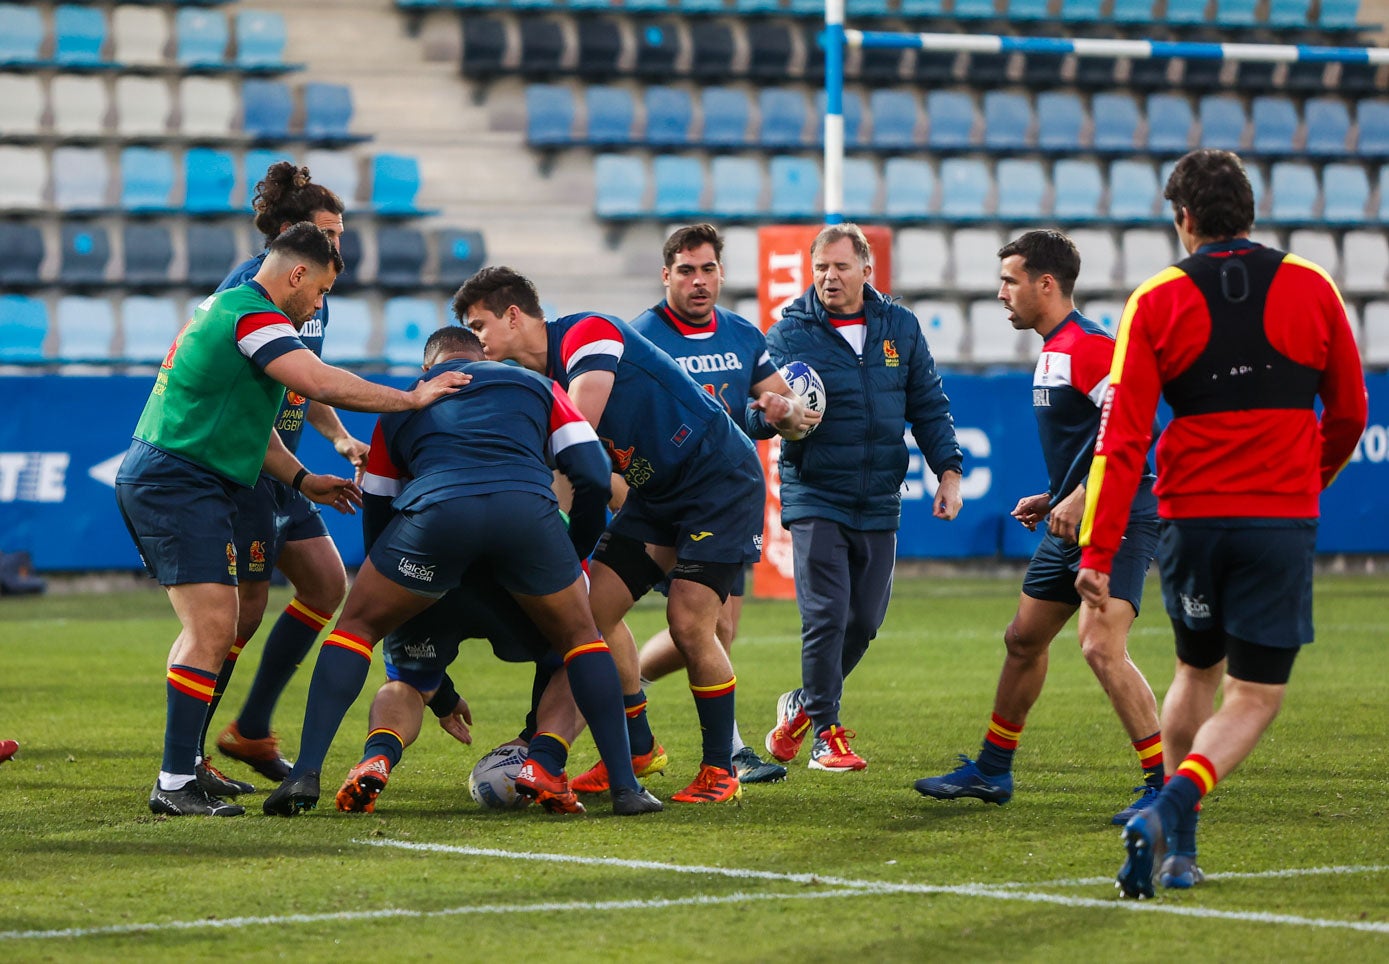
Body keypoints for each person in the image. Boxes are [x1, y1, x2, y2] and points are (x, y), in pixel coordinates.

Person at [1075, 149, 1368, 897]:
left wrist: (1098, 549)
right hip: (1276, 519)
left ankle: (1178, 848)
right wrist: (1308, 477)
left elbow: (1123, 439)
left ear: (1183, 219)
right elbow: (1351, 413)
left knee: (1193, 671)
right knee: (1256, 695)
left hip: (1189, 521)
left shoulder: (1155, 298)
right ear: (1249, 211)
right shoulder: (1312, 285)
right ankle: (1172, 806)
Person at [115, 223, 468, 817]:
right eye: (323, 290)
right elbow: (321, 381)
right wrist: (410, 399)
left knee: (220, 625)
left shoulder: (235, 310)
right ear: (298, 273)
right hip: (177, 481)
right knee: (211, 628)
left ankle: (185, 771)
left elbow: (255, 427)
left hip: (192, 479)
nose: (319, 305)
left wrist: (304, 480)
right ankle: (175, 780)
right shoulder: (253, 315)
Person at [264, 326, 661, 817]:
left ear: (429, 368)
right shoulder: (539, 386)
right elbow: (595, 474)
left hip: (435, 529)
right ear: (483, 356)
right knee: (582, 643)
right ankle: (594, 778)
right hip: (527, 526)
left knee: (357, 631)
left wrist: (395, 584)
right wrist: (571, 552)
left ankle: (317, 770)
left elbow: (381, 507)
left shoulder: (407, 402)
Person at [454, 267, 804, 805]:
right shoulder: (546, 378)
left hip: (719, 481)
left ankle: (719, 769)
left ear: (513, 316)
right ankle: (638, 745)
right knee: (588, 617)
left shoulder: (585, 332)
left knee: (689, 623)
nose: (476, 339)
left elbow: (580, 431)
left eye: (479, 325)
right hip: (657, 493)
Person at [914, 230, 1164, 823]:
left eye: (1010, 281)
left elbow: (1138, 435)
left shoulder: (1091, 347)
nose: (1001, 293)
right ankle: (993, 769)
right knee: (1023, 639)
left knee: (1101, 648)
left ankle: (1166, 785)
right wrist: (1058, 494)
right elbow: (1094, 440)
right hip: (1073, 517)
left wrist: (1079, 495)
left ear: (1045, 284)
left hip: (1120, 514)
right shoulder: (1055, 348)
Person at [764, 223, 963, 773]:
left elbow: (927, 402)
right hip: (815, 492)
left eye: (840, 266)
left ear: (866, 272)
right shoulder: (788, 334)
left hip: (878, 496)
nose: (829, 276)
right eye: (821, 267)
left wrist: (948, 471)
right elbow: (755, 408)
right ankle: (827, 733)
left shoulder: (899, 326)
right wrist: (772, 414)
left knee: (865, 621)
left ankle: (803, 704)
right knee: (826, 614)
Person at [625, 223, 817, 787]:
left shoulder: (741, 334)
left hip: (724, 499)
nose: (698, 280)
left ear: (721, 273)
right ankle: (728, 751)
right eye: (686, 270)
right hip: (663, 500)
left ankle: (617, 681)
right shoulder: (643, 337)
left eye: (708, 269)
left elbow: (774, 405)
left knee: (714, 629)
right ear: (666, 275)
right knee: (701, 626)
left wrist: (784, 415)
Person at [210, 162, 366, 787]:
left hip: (286, 469)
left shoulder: (311, 293)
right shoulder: (253, 287)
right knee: (237, 617)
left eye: (340, 232)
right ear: (290, 235)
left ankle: (250, 729)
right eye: (327, 231)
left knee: (327, 587)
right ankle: (187, 754)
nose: (337, 245)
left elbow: (306, 376)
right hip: (249, 466)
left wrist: (338, 436)